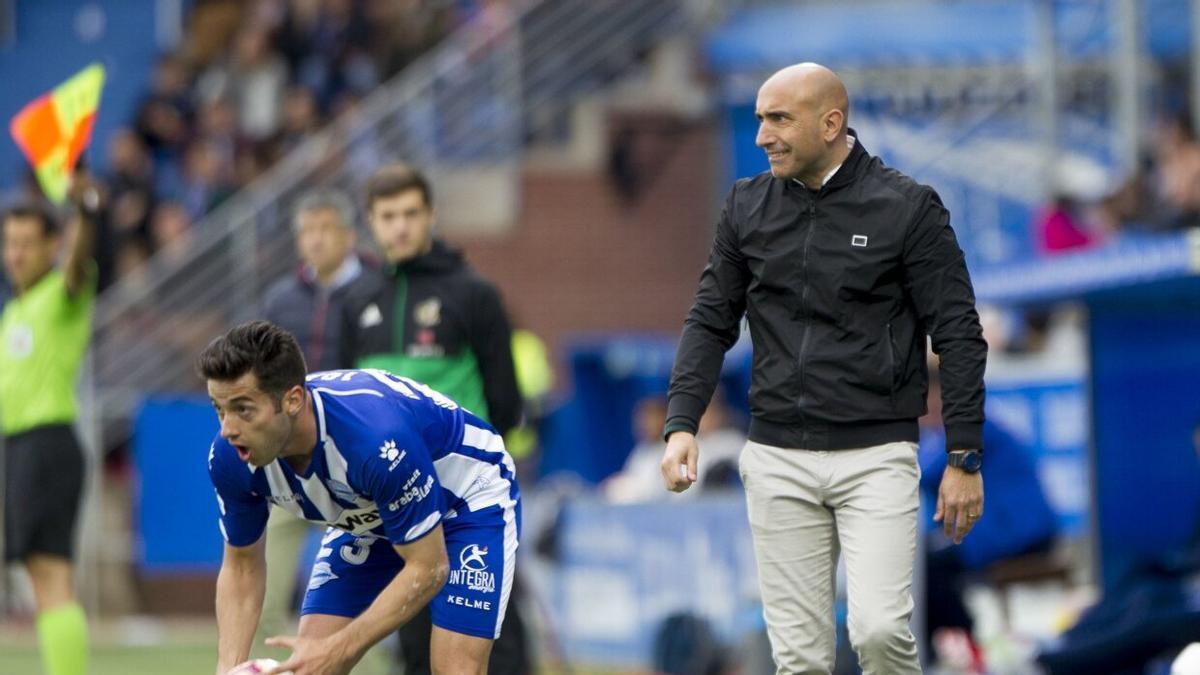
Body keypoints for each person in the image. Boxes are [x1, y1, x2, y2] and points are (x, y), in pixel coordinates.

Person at [659, 63, 988, 674]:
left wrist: (965, 456)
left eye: (778, 118)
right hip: (776, 457)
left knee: (881, 631)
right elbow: (709, 321)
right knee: (800, 662)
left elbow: (960, 334)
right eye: (759, 119)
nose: (762, 136)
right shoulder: (745, 205)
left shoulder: (908, 208)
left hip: (877, 456)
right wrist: (683, 422)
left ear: (831, 122)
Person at [199, 321, 520, 675]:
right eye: (219, 409)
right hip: (370, 510)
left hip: (466, 500)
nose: (227, 428)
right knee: (310, 664)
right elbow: (242, 567)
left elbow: (429, 567)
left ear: (291, 401)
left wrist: (340, 647)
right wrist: (227, 668)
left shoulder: (376, 442)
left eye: (244, 410)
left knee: (453, 670)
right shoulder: (231, 456)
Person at [339, 163, 530, 674]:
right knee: (415, 645)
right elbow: (340, 403)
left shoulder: (475, 294)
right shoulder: (355, 301)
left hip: (467, 499)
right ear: (371, 223)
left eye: (410, 213)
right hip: (394, 502)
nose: (399, 226)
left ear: (431, 216)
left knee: (496, 641)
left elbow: (506, 402)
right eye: (387, 216)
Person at [256, 188, 372, 648]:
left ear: (348, 235)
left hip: (350, 456)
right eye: (308, 230)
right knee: (266, 572)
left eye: (326, 228)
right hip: (290, 455)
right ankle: (266, 659)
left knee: (356, 579)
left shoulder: (373, 290)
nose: (317, 239)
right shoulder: (282, 298)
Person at [1, 179, 100, 675]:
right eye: (9, 242)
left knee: (51, 575)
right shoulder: (16, 309)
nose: (15, 254)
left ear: (50, 246)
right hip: (18, 448)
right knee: (40, 577)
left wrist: (84, 209)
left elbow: (78, 262)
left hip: (48, 442)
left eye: (25, 243)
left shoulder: (62, 294)